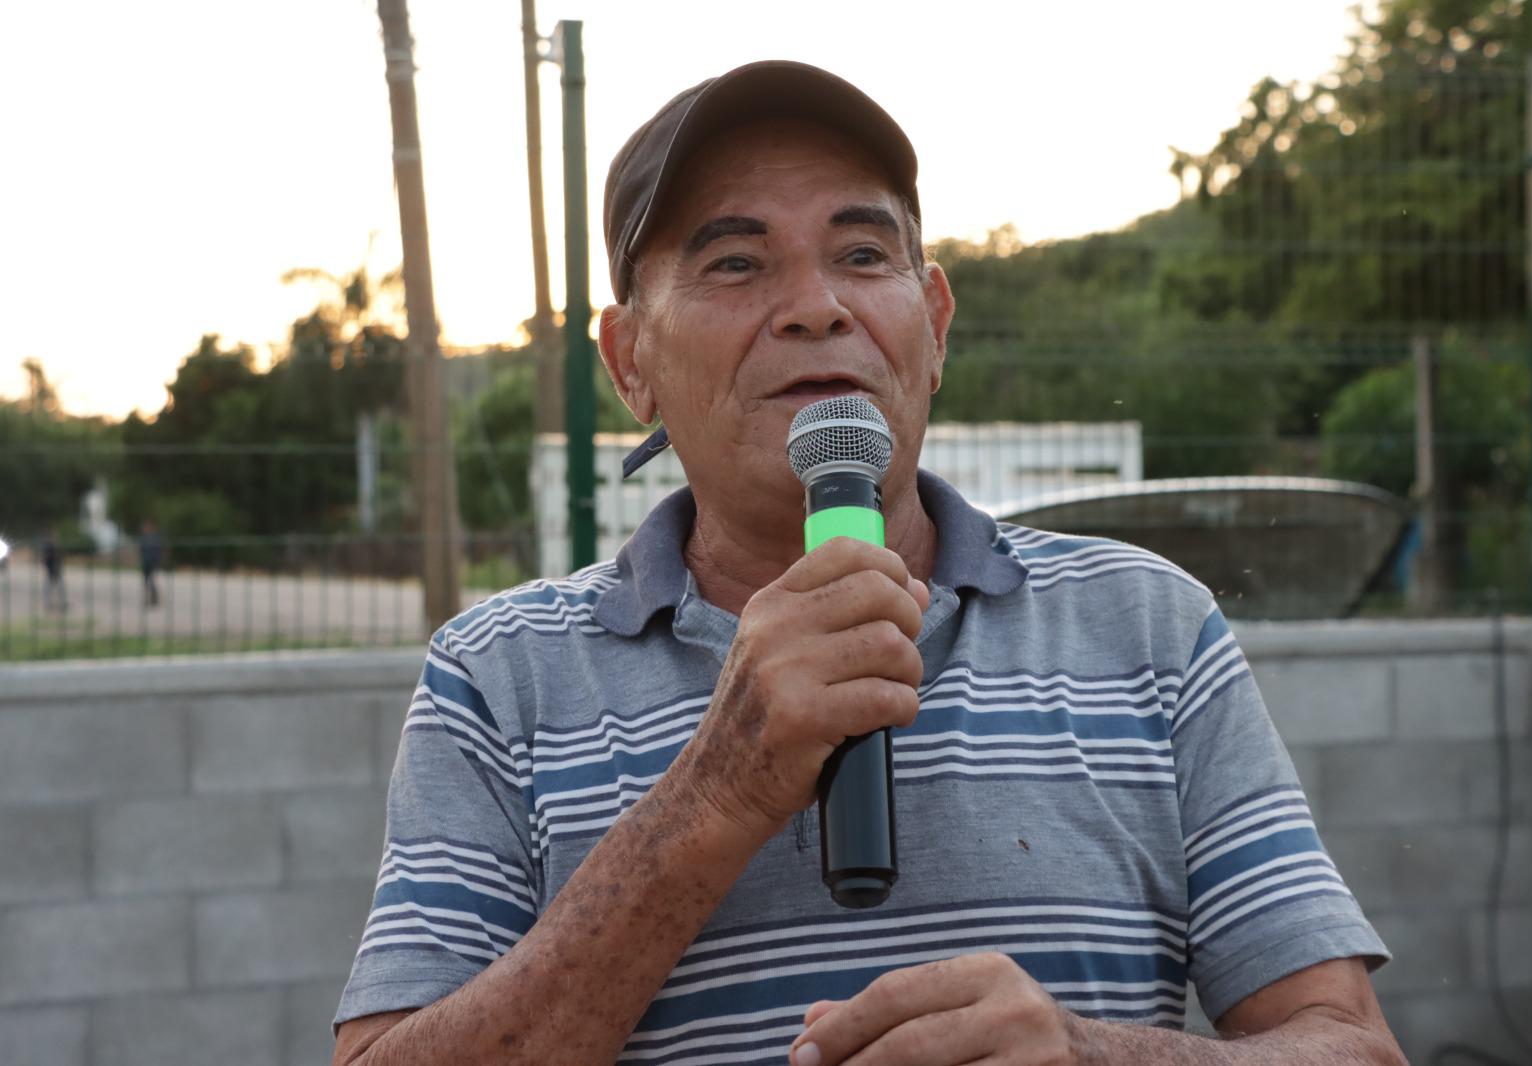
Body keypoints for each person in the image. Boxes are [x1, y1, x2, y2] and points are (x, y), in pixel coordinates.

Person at [333, 61, 1400, 1066]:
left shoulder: (1146, 625)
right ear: (630, 361)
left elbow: (1349, 1042)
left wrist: (1092, 1051)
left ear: (932, 324)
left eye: (860, 254)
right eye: (736, 262)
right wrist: (723, 781)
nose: (817, 305)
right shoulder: (498, 677)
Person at [139, 519, 163, 608]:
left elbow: (158, 551)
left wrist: (157, 562)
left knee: (151, 581)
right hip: (145, 563)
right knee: (146, 582)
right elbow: (141, 550)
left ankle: (154, 598)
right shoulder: (144, 538)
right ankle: (149, 598)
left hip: (152, 563)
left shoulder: (154, 538)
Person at [40, 532, 66, 612]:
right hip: (50, 570)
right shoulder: (48, 548)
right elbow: (46, 560)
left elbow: (60, 560)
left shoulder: (56, 547)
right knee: (49, 588)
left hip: (56, 570)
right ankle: (48, 605)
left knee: (59, 588)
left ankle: (60, 604)